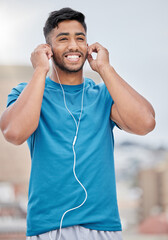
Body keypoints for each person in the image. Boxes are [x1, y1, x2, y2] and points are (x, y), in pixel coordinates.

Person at [0, 7, 155, 240]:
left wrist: (105, 68)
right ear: (48, 49)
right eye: (63, 39)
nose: (73, 45)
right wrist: (40, 70)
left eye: (80, 38)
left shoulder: (103, 95)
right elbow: (14, 133)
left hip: (103, 226)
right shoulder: (28, 92)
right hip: (48, 227)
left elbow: (146, 123)